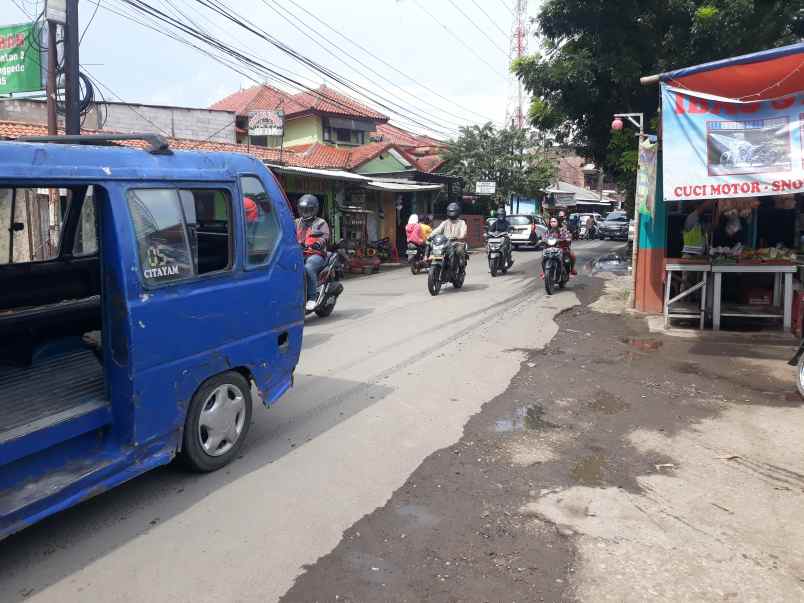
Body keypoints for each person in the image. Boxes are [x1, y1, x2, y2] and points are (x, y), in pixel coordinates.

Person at [295, 194, 330, 311]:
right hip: (299, 253)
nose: (305, 212)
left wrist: (318, 243)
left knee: (308, 268)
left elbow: (324, 237)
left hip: (316, 254)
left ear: (315, 209)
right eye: (303, 209)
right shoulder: (296, 222)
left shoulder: (321, 223)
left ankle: (312, 298)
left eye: (309, 209)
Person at [430, 202, 468, 270]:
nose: (452, 213)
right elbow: (437, 230)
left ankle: (461, 262)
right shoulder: (445, 222)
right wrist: (430, 236)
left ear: (457, 212)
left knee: (459, 250)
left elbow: (463, 232)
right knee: (434, 249)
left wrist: (460, 236)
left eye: (453, 211)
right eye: (450, 211)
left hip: (456, 243)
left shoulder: (461, 222)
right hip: (445, 243)